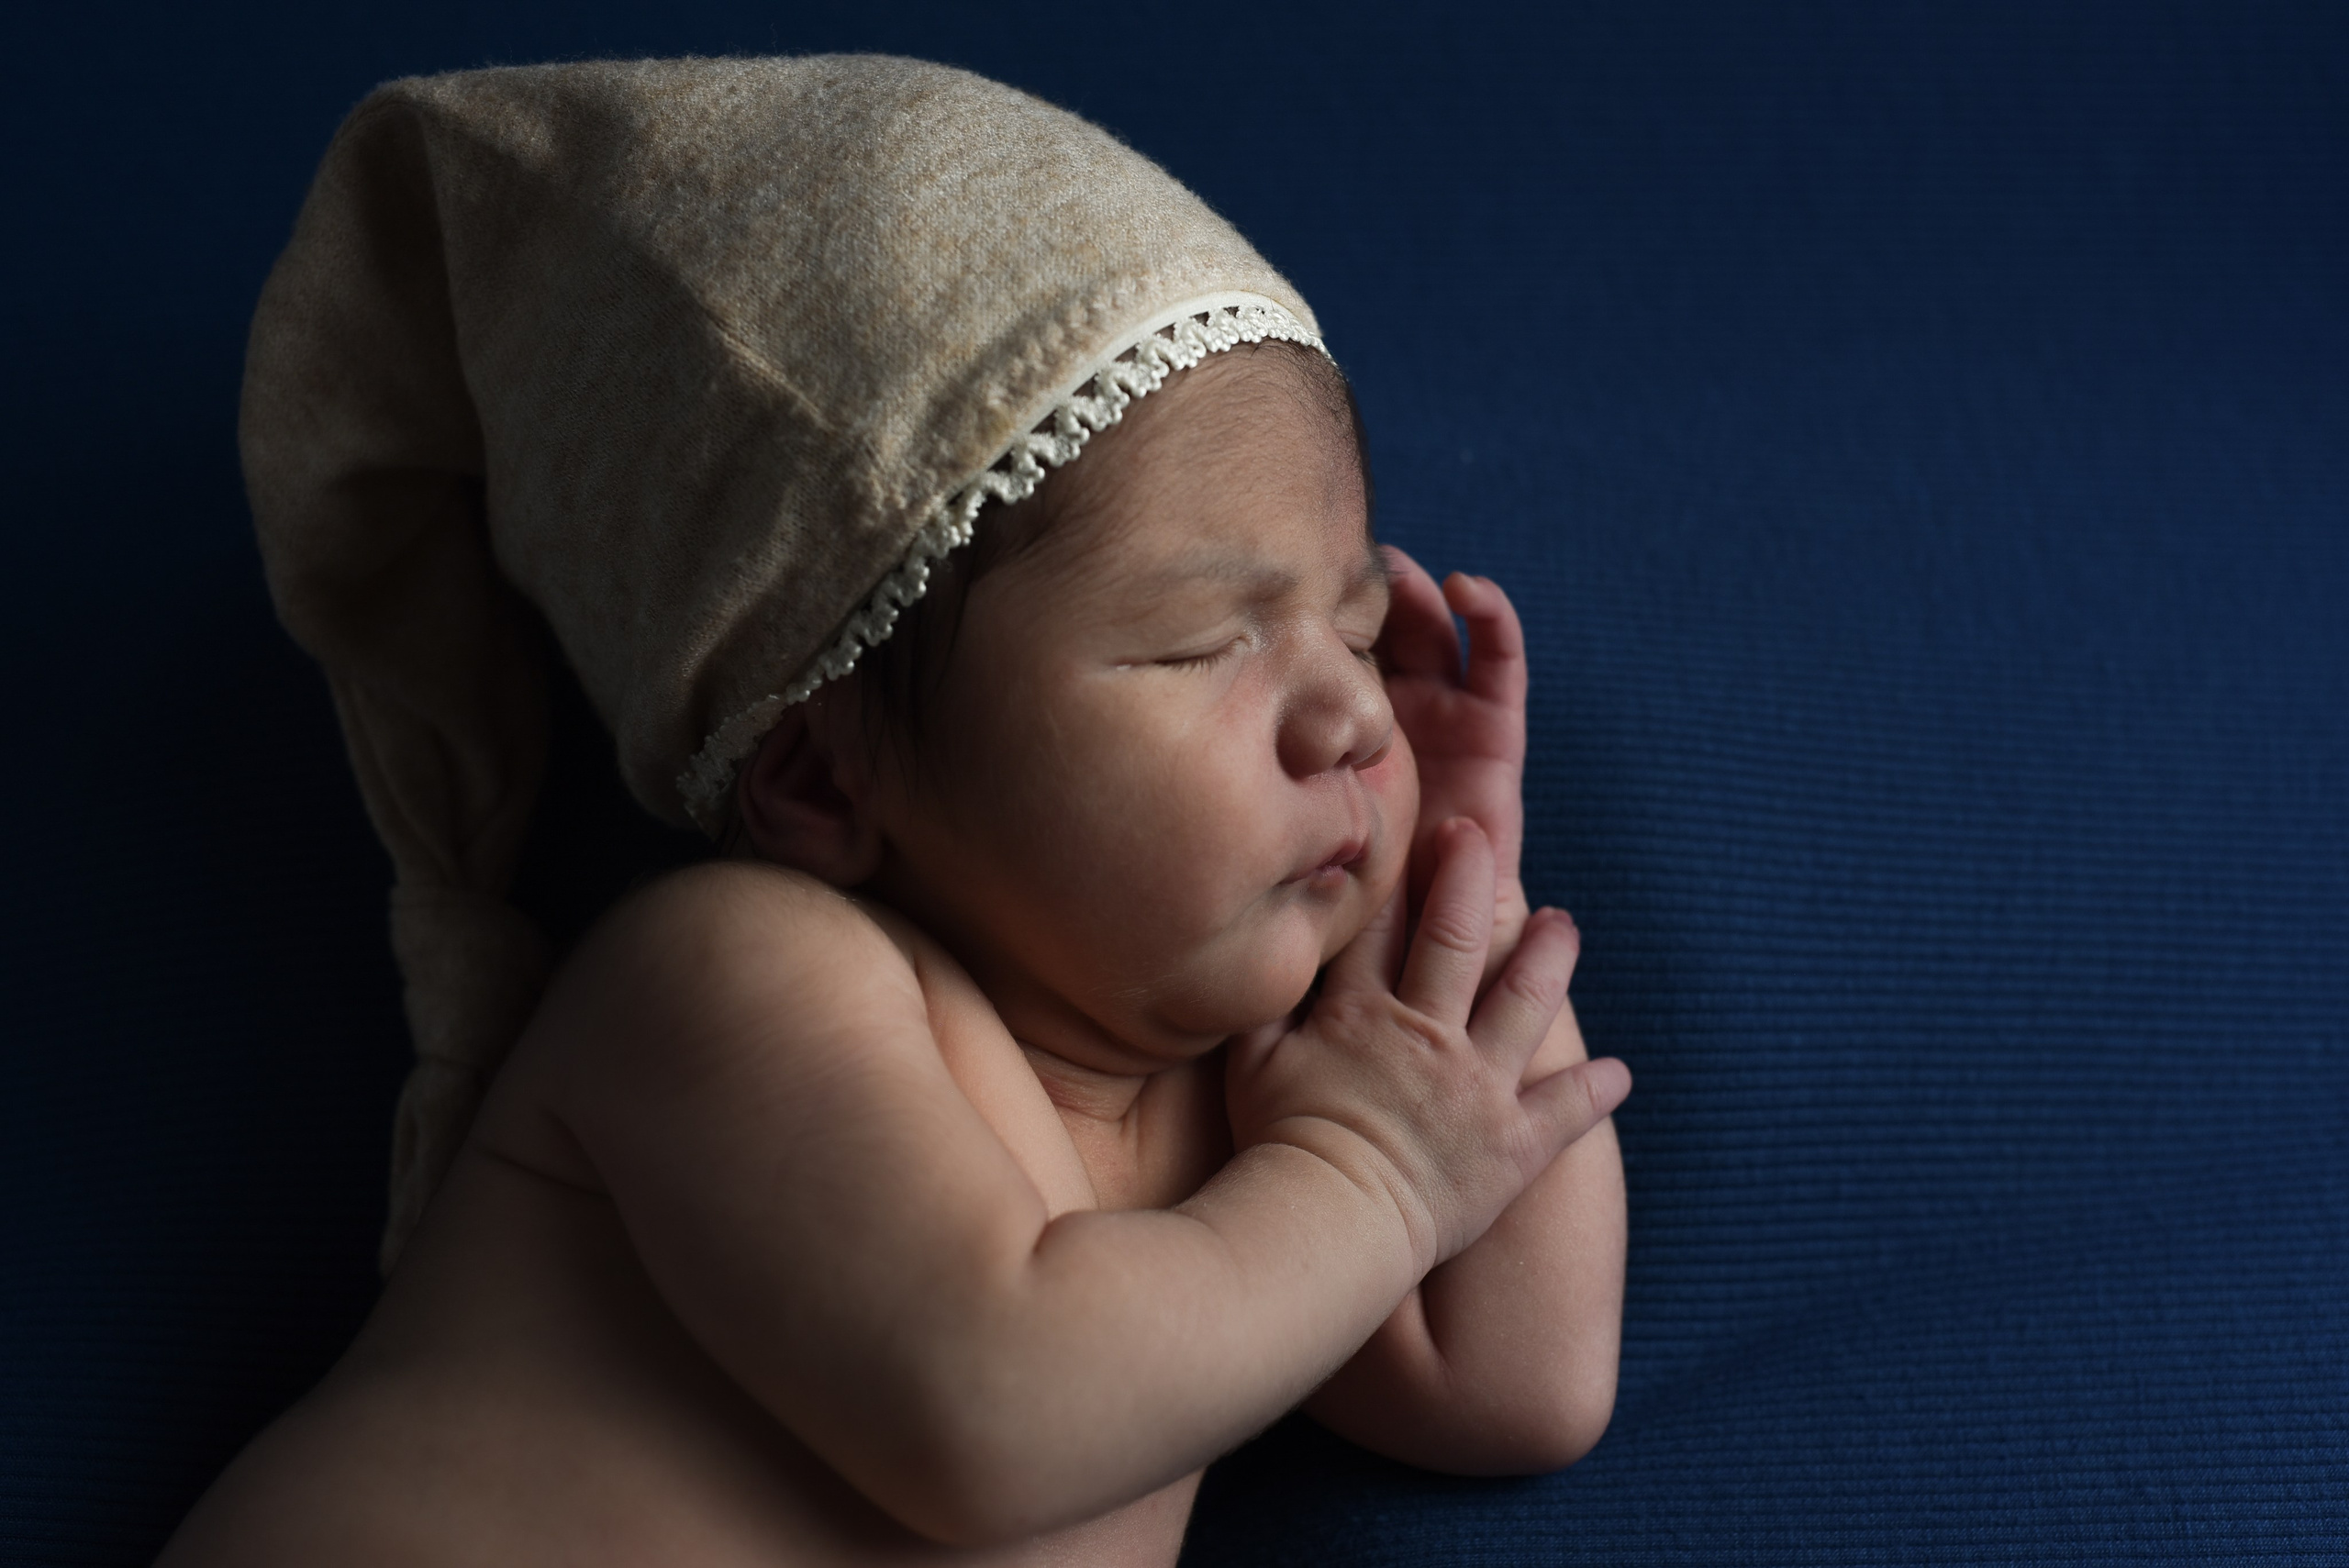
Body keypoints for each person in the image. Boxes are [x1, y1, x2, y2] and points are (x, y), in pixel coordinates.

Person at [161, 55, 1629, 1567]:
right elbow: (999, 1409)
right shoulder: (742, 976)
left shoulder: (1256, 1124)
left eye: (1361, 629)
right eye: (1206, 644)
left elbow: (1522, 1382)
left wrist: (1450, 901)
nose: (1357, 717)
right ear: (817, 773)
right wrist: (1377, 1178)